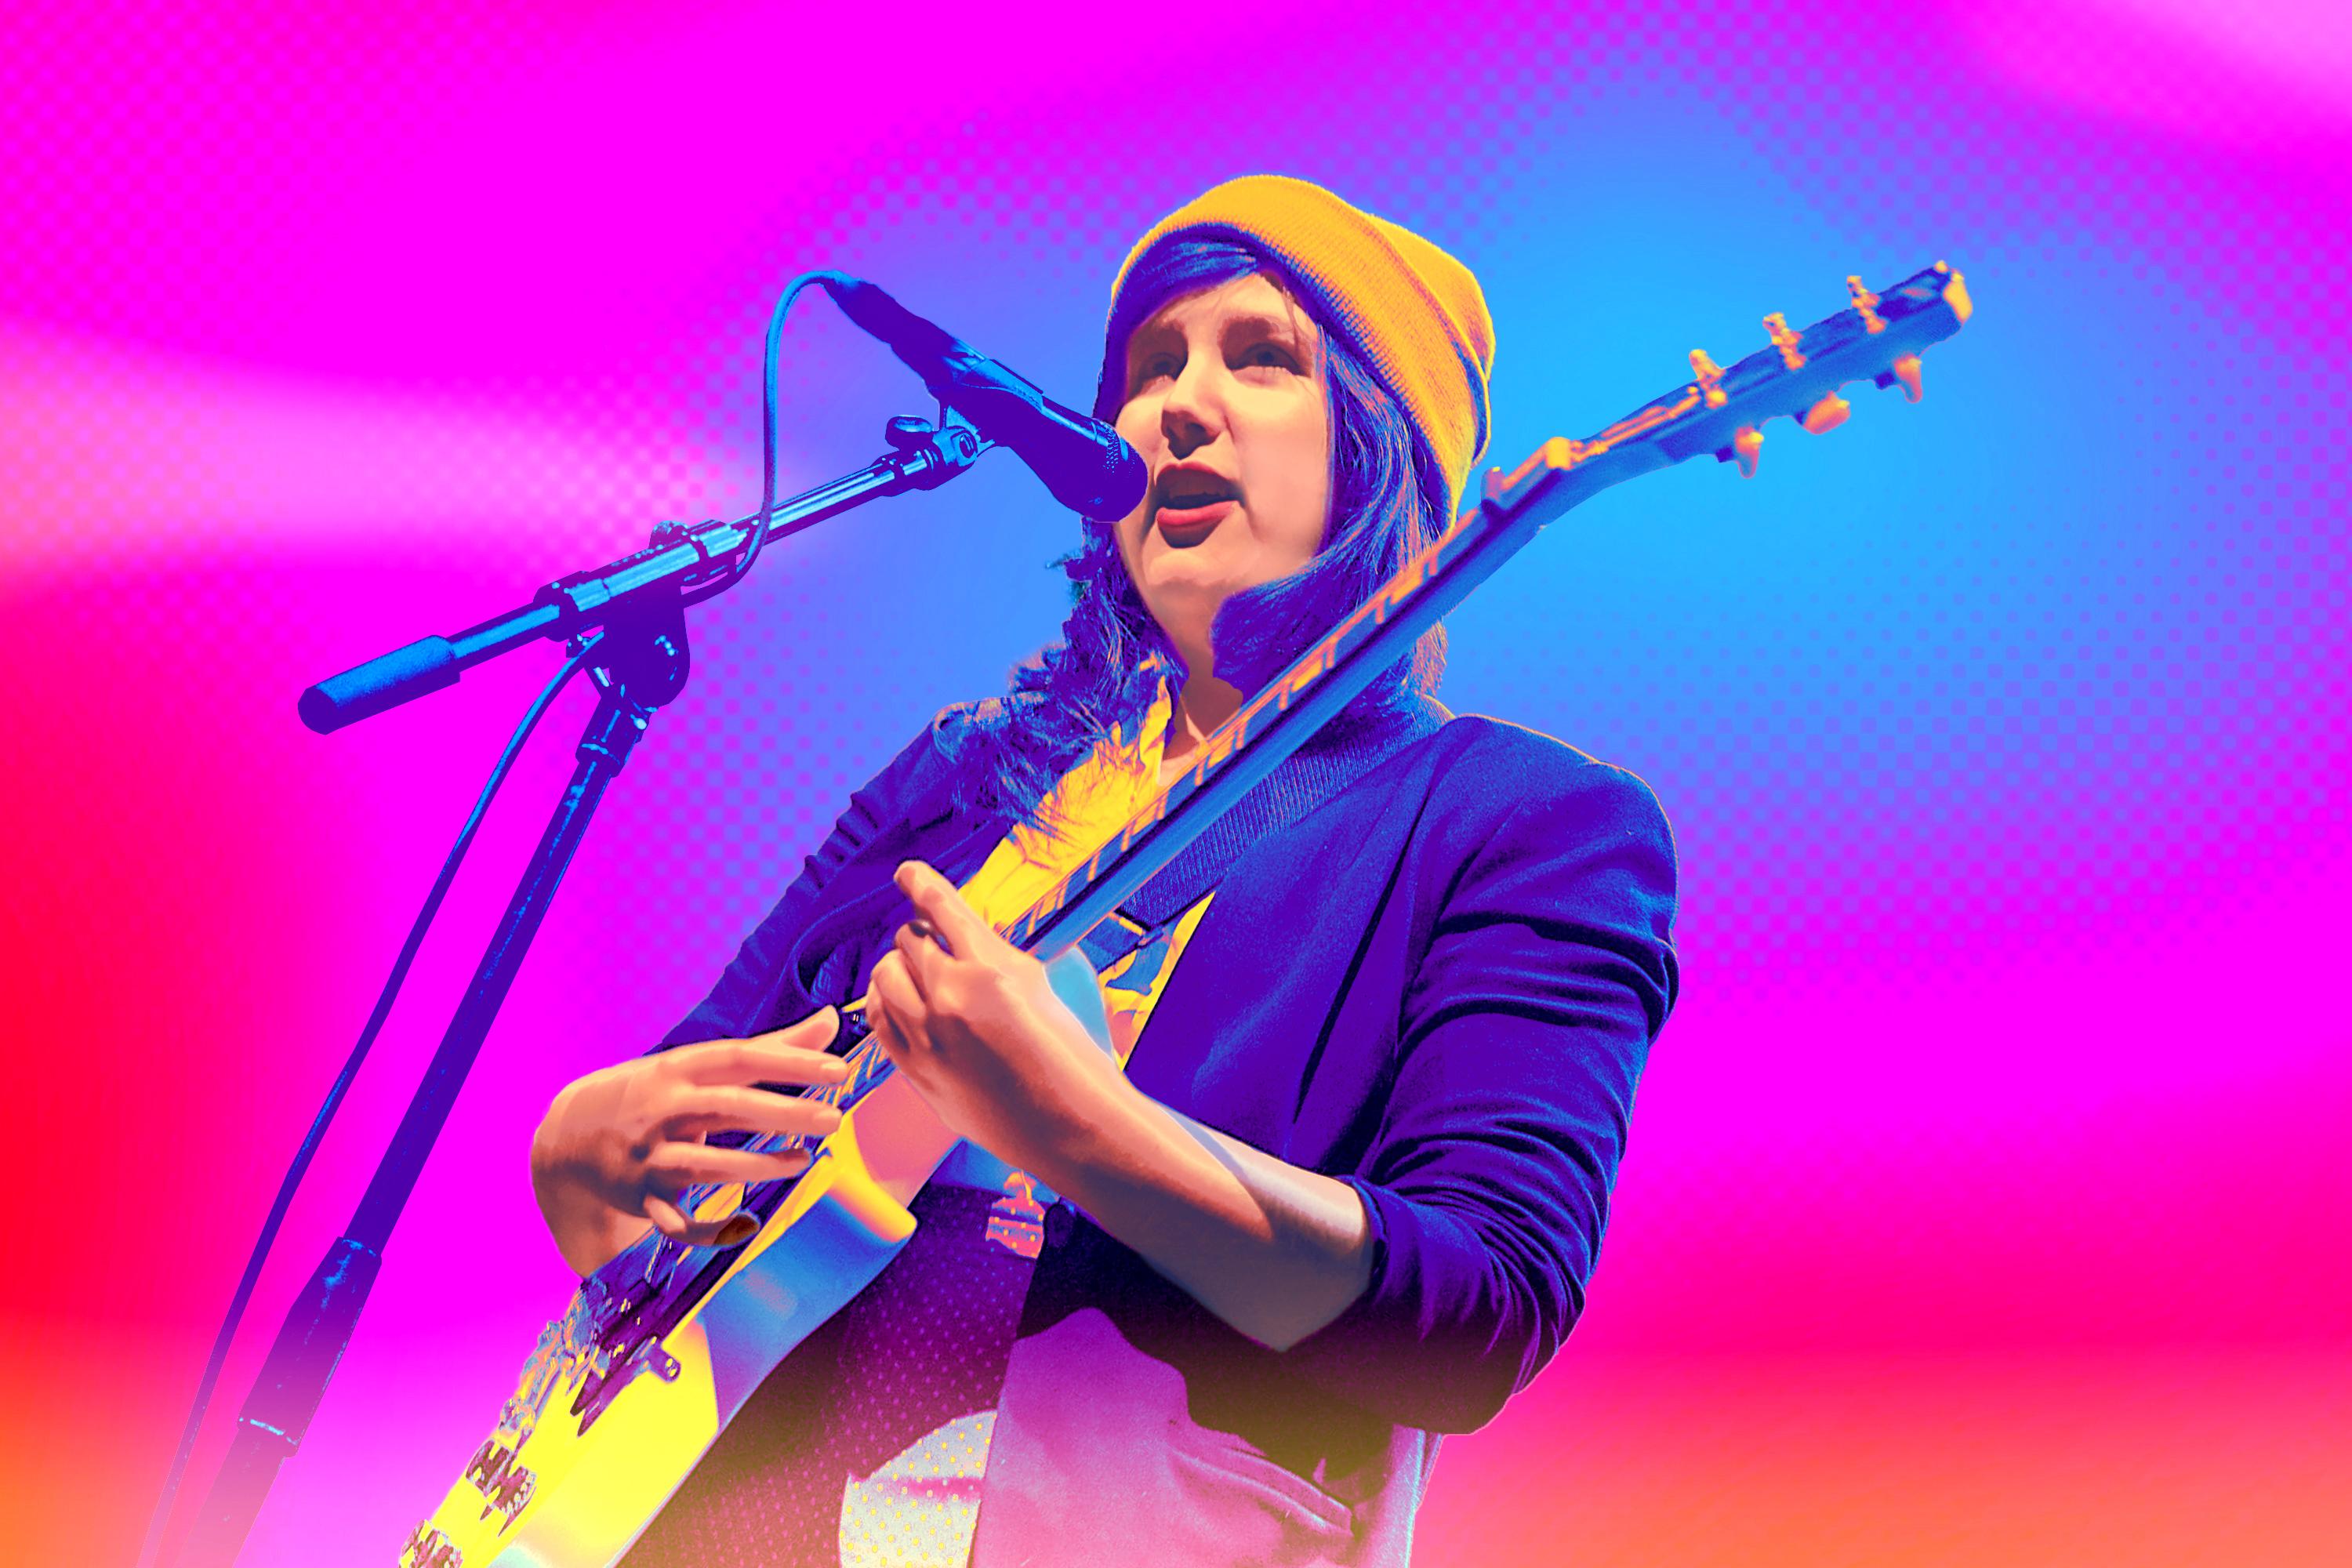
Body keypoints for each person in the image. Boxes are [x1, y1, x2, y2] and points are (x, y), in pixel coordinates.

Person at [527, 174, 1681, 1568]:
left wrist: (1078, 1128)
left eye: (1261, 356)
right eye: (1150, 367)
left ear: (1385, 445)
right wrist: (581, 1159)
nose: (1177, 407)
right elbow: (699, 1129)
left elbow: (1480, 1314)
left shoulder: (1522, 820)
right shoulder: (960, 775)